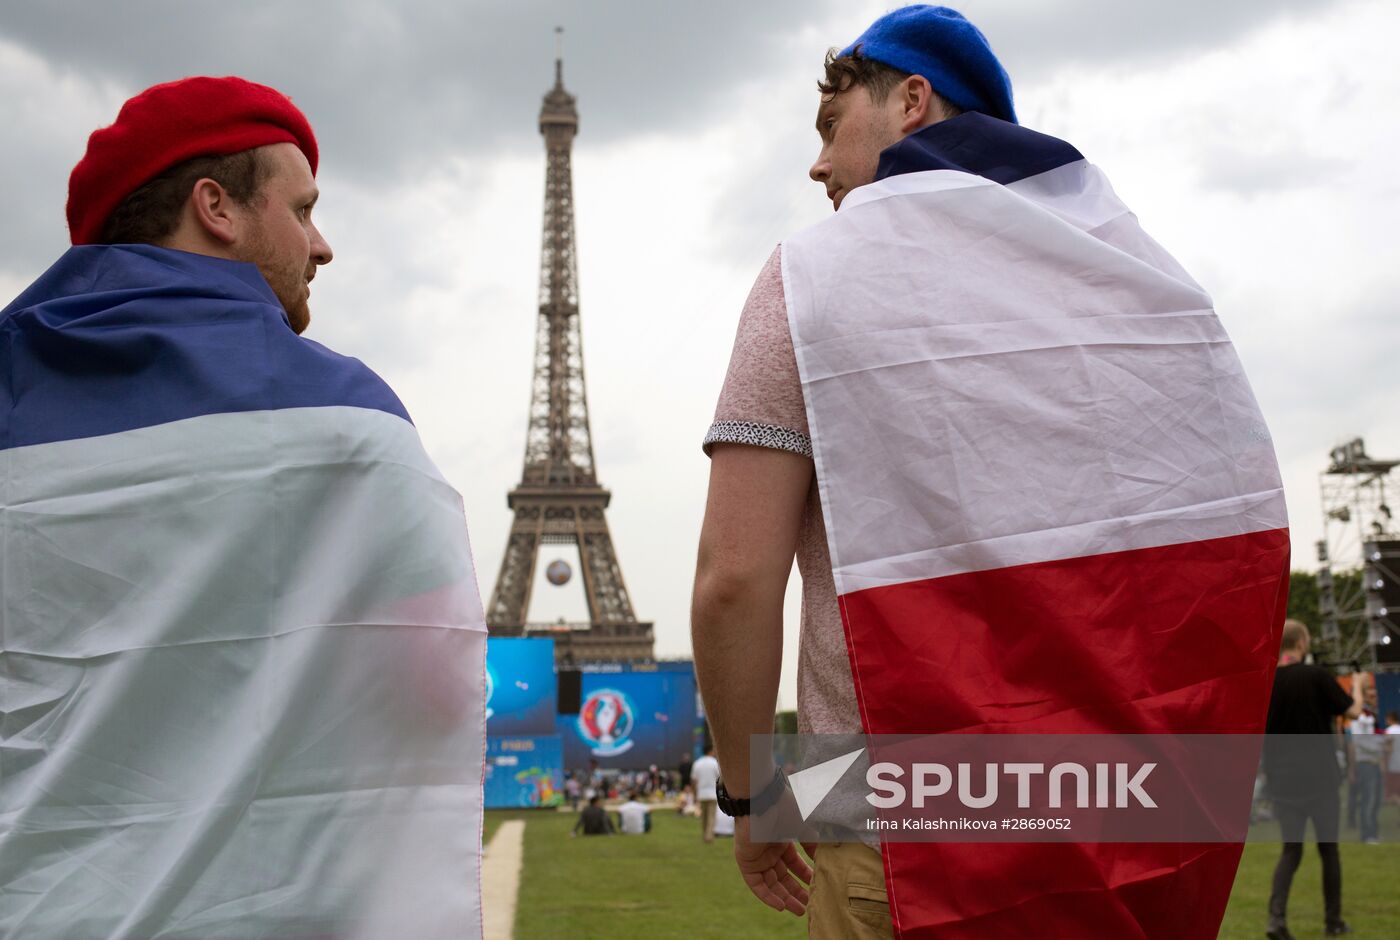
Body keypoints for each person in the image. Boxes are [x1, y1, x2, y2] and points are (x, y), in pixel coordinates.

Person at [691, 5, 1290, 937]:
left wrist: (752, 798)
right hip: (1108, 811)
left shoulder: (808, 280)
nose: (817, 164)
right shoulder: (1131, 292)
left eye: (830, 123)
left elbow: (733, 581)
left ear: (911, 102)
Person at [0, 77, 487, 939]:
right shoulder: (348, 416)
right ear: (216, 207)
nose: (322, 244)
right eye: (302, 210)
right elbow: (434, 690)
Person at [1264, 620, 1365, 939]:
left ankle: (1276, 920)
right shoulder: (1316, 676)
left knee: (1290, 851)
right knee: (1328, 850)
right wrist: (1358, 683)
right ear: (1302, 643)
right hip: (1320, 778)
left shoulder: (1267, 683)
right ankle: (1332, 922)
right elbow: (1353, 712)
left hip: (1282, 779)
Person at [1348, 682, 1384, 844]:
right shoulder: (1360, 716)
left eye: (1376, 695)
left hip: (1375, 762)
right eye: (1371, 695)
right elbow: (1359, 741)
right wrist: (1382, 745)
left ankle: (1372, 832)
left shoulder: (1373, 715)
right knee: (1368, 800)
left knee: (1375, 800)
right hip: (1366, 763)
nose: (1375, 698)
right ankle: (1367, 835)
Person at [690, 744, 721, 843]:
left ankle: (705, 835)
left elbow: (694, 781)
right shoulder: (714, 763)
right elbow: (720, 779)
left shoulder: (697, 763)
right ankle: (709, 836)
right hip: (712, 793)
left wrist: (694, 794)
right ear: (710, 751)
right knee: (711, 816)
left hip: (701, 793)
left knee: (704, 817)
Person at [1385, 710, 1400, 809]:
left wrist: (1385, 762)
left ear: (1390, 719)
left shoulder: (1389, 731)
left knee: (1393, 794)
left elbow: (1388, 748)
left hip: (1394, 764)